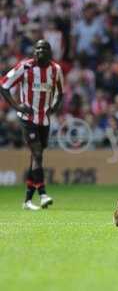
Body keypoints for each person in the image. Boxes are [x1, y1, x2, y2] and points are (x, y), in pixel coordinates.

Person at [0, 40, 64, 210]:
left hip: (44, 119)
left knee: (36, 157)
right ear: (34, 51)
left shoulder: (55, 70)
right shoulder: (25, 67)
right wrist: (16, 106)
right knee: (36, 153)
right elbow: (3, 85)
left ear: (50, 52)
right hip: (27, 118)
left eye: (44, 48)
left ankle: (27, 200)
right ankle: (43, 194)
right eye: (38, 48)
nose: (40, 50)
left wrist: (54, 108)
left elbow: (60, 93)